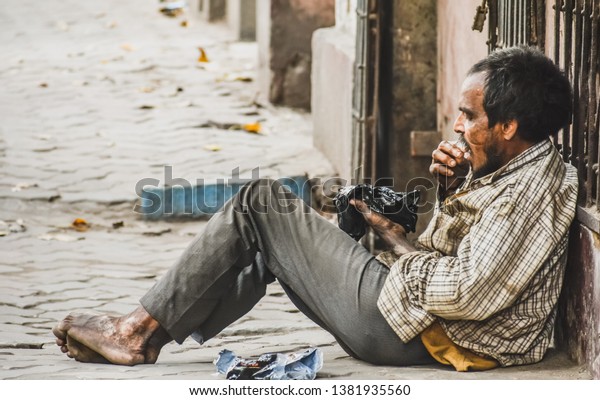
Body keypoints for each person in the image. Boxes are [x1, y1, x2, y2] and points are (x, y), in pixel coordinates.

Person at [53, 46, 578, 372]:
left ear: (509, 126)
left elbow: (467, 291)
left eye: (469, 115)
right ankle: (147, 332)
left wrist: (392, 241)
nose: (459, 126)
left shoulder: (531, 191)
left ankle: (136, 333)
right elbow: (464, 255)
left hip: (422, 334)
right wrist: (454, 188)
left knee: (260, 201)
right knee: (271, 238)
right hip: (421, 320)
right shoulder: (512, 167)